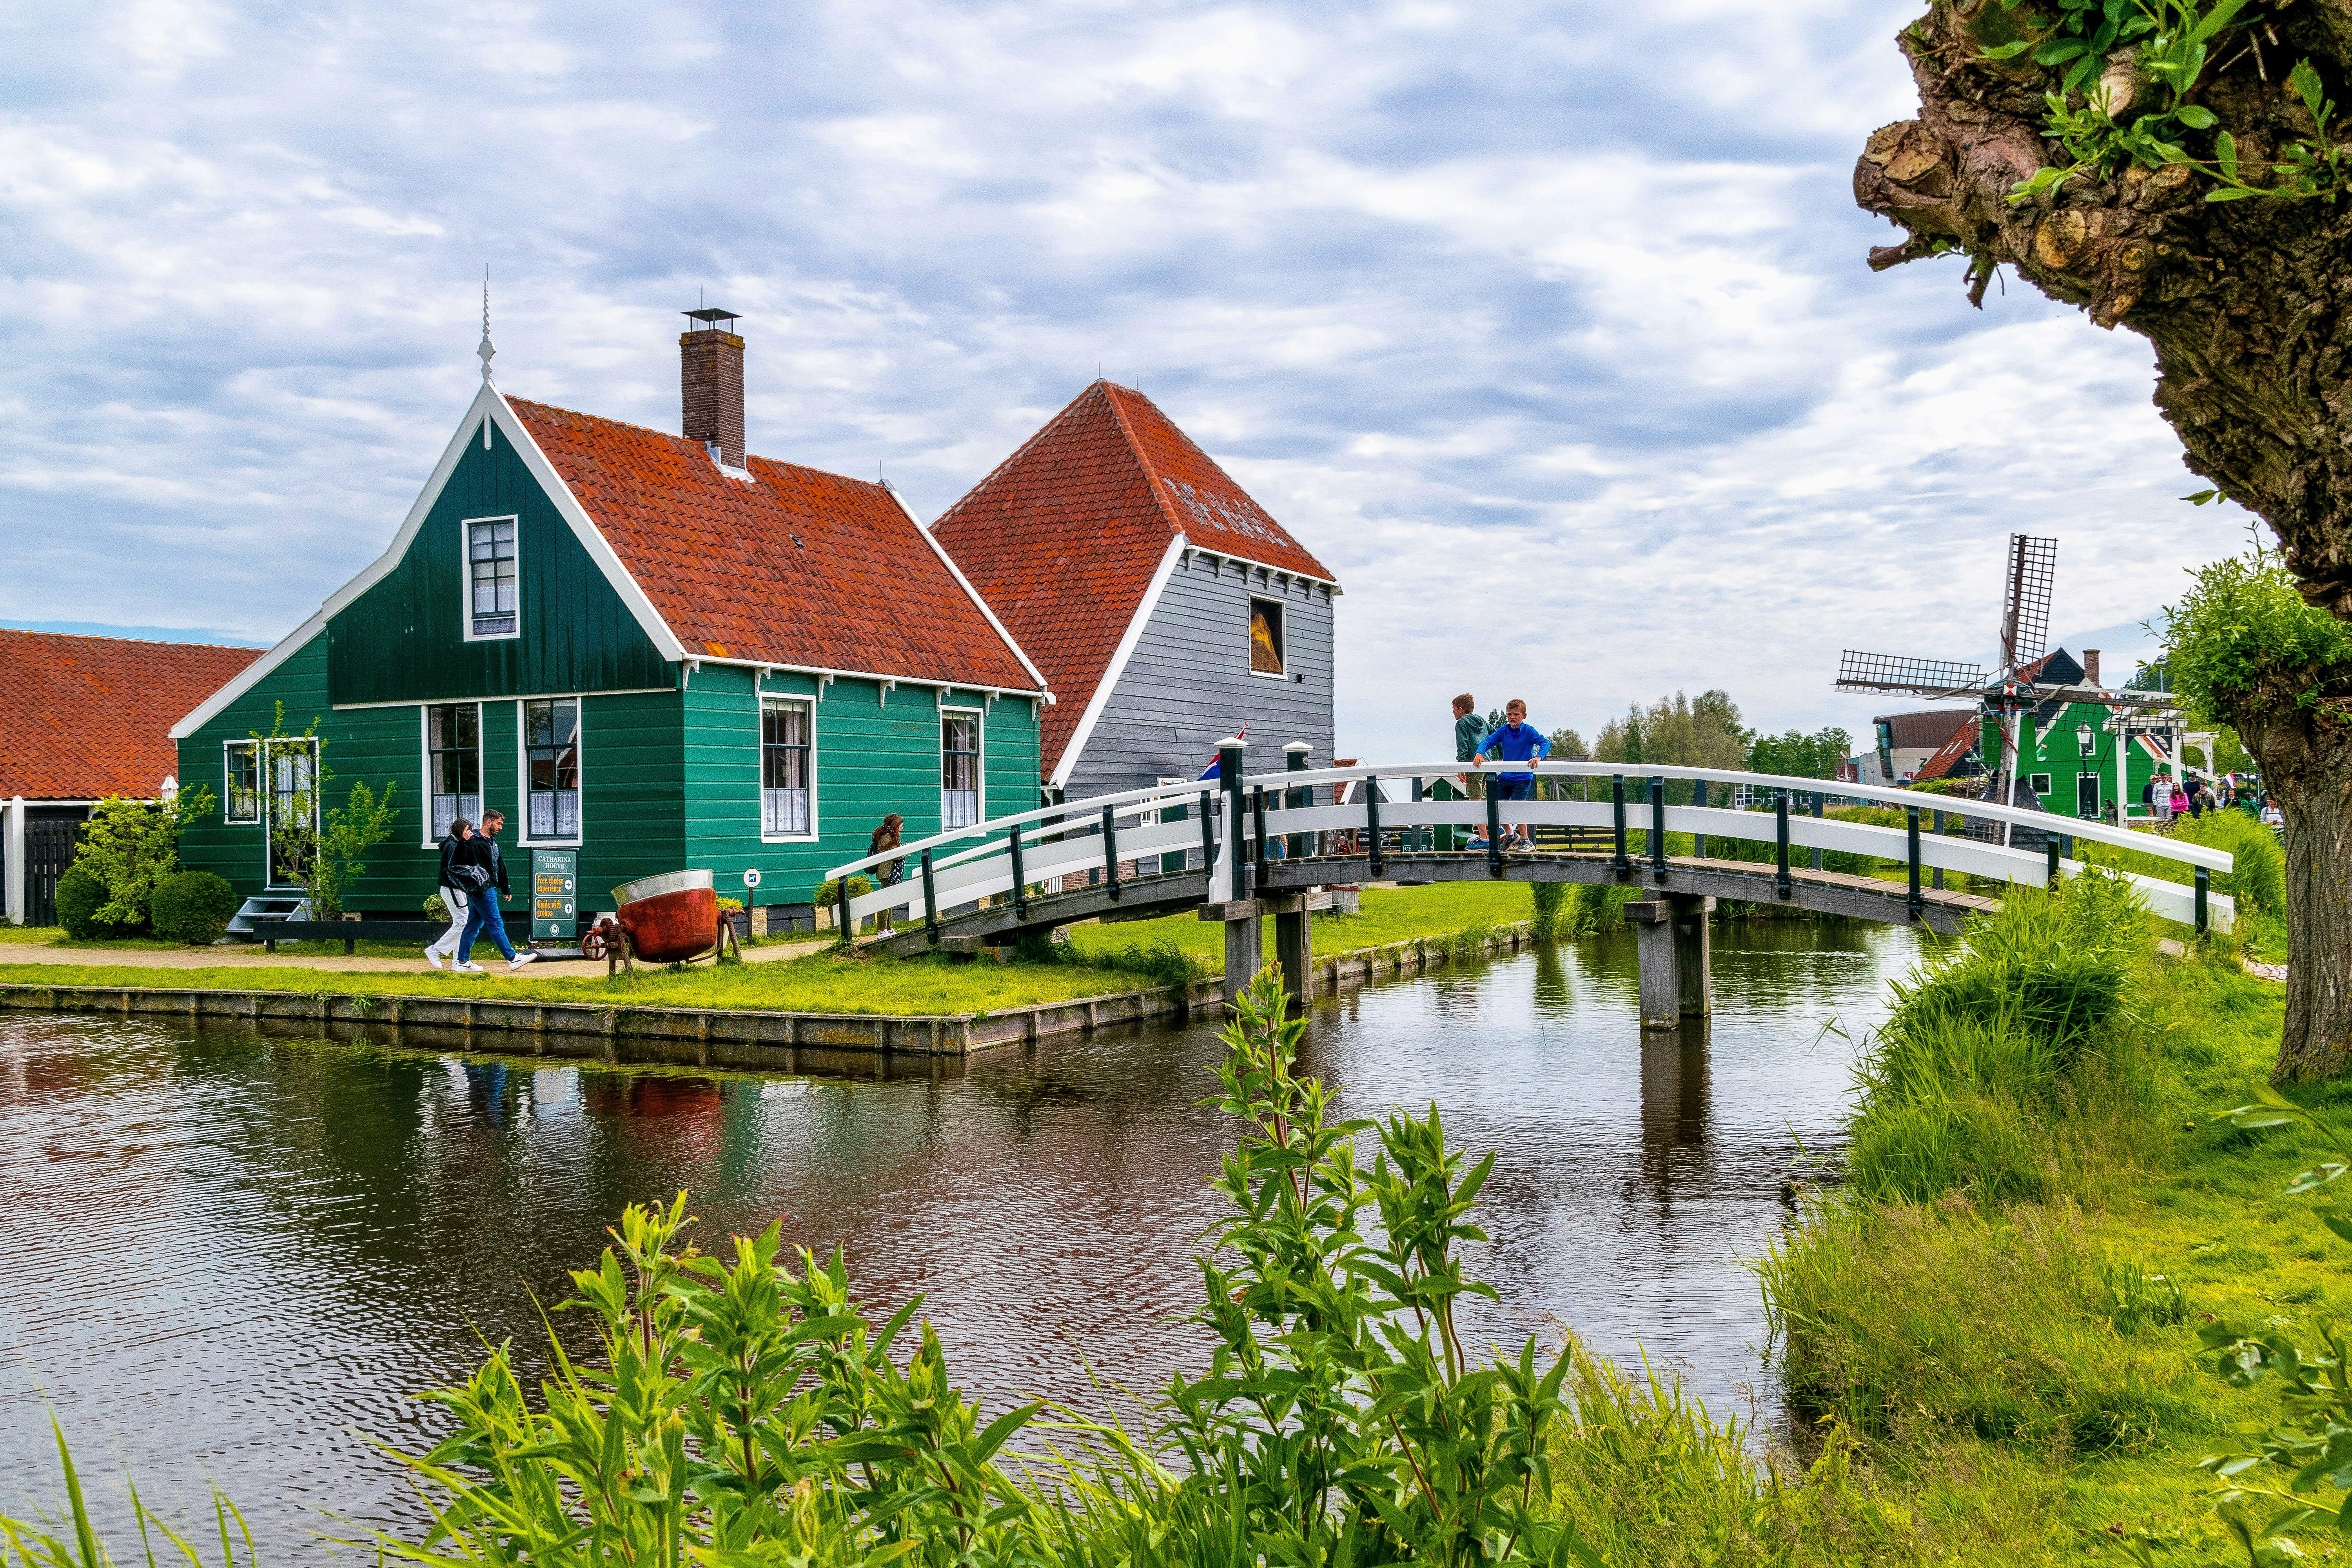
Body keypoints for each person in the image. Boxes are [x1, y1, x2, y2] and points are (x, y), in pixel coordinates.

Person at [454, 808, 536, 973]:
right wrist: (463, 842)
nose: (501, 827)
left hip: (488, 888)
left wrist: (505, 887)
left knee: (473, 925)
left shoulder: (492, 842)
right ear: (488, 822)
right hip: (482, 890)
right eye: (499, 824)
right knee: (495, 923)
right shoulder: (474, 841)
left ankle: (462, 962)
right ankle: (513, 958)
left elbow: (499, 865)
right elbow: (458, 862)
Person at [1473, 698, 1550, 850]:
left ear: (1524, 716)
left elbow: (1545, 743)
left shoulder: (1529, 731)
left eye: (1516, 714)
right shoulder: (1504, 730)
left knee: (1516, 808)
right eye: (1509, 714)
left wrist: (1538, 757)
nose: (1512, 717)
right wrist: (1479, 753)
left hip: (1522, 777)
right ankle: (1511, 835)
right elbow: (1488, 741)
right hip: (1506, 776)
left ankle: (1527, 840)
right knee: (1495, 806)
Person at [424, 817, 473, 970]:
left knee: (462, 923)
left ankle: (459, 962)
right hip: (452, 887)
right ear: (460, 831)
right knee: (462, 922)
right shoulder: (453, 845)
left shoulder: (455, 844)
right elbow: (455, 867)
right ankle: (436, 950)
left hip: (456, 888)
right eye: (467, 830)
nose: (470, 833)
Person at [868, 814, 906, 933]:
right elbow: (898, 854)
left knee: (889, 900)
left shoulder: (890, 836)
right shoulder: (887, 837)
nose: (902, 827)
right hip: (887, 872)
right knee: (885, 900)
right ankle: (881, 930)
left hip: (890, 871)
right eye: (900, 825)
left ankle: (888, 929)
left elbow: (896, 850)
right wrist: (907, 851)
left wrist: (903, 848)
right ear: (895, 825)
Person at [1452, 693, 1484, 800]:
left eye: (1454, 709)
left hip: (1474, 764)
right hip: (1487, 763)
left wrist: (1461, 766)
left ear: (1461, 710)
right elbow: (1497, 734)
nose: (1453, 712)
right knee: (1482, 797)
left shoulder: (1462, 723)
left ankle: (1477, 817)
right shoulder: (1482, 721)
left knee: (1474, 799)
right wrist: (1500, 755)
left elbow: (1463, 745)